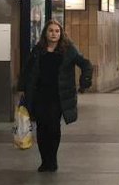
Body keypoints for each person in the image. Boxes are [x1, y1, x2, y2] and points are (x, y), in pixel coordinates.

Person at [18, 20, 93, 172]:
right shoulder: (38, 50)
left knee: (53, 127)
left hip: (58, 96)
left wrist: (85, 82)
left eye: (57, 31)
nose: (54, 34)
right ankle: (44, 160)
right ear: (46, 33)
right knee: (41, 127)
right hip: (39, 95)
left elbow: (86, 64)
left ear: (61, 33)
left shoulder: (68, 50)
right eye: (51, 31)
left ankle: (52, 159)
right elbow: (27, 70)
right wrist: (22, 88)